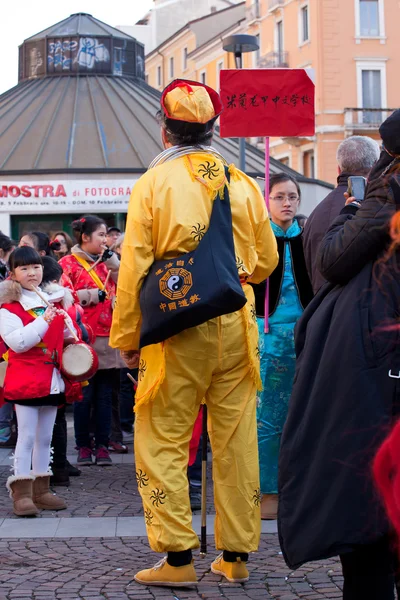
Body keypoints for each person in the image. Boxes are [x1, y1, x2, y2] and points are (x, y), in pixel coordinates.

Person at [110, 78, 278, 587]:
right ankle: (235, 557)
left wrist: (127, 337)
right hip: (236, 326)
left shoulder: (153, 184)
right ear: (214, 130)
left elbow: (134, 266)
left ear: (166, 132)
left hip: (176, 327)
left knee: (162, 437)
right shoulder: (242, 182)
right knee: (236, 441)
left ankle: (178, 559)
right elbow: (267, 261)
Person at [278, 112, 400, 599]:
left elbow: (330, 261)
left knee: (364, 499)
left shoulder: (375, 198)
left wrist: (354, 210)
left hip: (368, 365)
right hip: (371, 355)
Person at [251, 174, 313, 520]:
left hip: (305, 337)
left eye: (292, 197)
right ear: (267, 201)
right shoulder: (255, 240)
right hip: (267, 338)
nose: (286, 203)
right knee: (268, 416)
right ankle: (267, 490)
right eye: (279, 197)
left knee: (303, 414)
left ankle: (300, 487)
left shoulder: (309, 239)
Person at [0, 247, 75, 516]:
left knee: (45, 438)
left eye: (36, 267)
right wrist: (44, 320)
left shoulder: (51, 300)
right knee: (27, 436)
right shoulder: (8, 308)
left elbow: (66, 340)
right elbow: (18, 343)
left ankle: (42, 489)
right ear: (13, 273)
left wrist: (68, 326)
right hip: (25, 379)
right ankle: (22, 493)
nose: (32, 272)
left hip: (51, 377)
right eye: (24, 268)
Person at [59, 215, 122, 467]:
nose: (105, 240)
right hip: (81, 337)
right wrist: (88, 295)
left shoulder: (109, 263)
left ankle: (103, 446)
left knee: (106, 395)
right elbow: (61, 295)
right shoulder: (68, 263)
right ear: (85, 237)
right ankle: (84, 445)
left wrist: (115, 265)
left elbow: (127, 286)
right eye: (100, 235)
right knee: (84, 394)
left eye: (106, 235)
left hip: (108, 336)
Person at [303, 135, 380, 293]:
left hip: (321, 310)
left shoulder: (315, 214)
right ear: (375, 167)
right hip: (362, 309)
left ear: (339, 169)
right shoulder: (376, 209)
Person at [41, 256, 84, 486]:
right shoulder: (61, 300)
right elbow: (75, 333)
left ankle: (51, 468)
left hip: (45, 366)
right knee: (56, 418)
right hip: (60, 366)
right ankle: (59, 467)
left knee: (47, 421)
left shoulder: (38, 300)